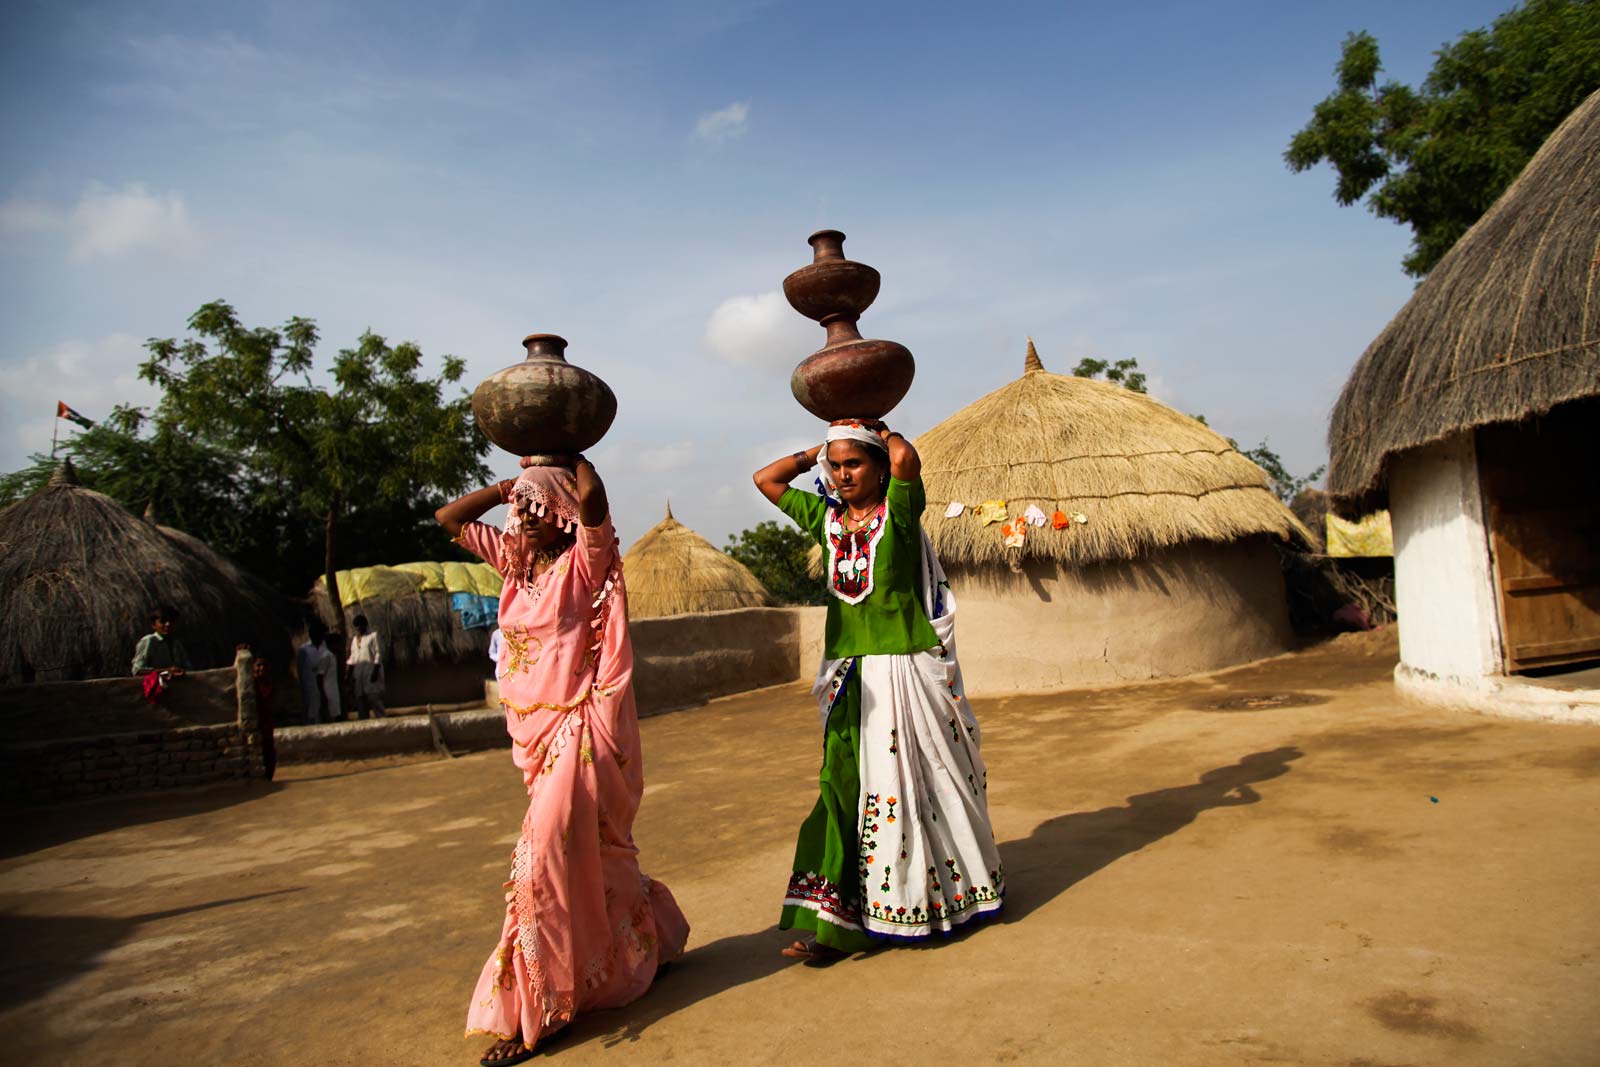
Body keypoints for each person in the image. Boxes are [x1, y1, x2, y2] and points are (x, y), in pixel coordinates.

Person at [436, 456, 688, 1064]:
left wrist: (566, 449)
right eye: (517, 509)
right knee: (589, 851)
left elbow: (595, 500)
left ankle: (541, 1006)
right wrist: (506, 488)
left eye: (533, 507)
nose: (520, 517)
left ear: (560, 514)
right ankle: (646, 941)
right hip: (533, 730)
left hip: (582, 725)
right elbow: (447, 517)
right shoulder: (513, 562)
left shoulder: (585, 561)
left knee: (542, 851)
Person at [753, 419, 1004, 963]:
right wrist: (815, 451)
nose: (843, 475)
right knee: (842, 787)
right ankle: (840, 920)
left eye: (854, 464)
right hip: (849, 678)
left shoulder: (900, 514)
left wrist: (881, 429)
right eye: (835, 466)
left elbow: (907, 462)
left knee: (912, 788)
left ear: (875, 466)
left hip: (904, 671)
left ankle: (923, 902)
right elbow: (766, 479)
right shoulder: (826, 519)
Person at [131, 606, 190, 704]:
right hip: (155, 694)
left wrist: (180, 671)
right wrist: (166, 671)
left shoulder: (176, 643)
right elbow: (137, 670)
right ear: (154, 625)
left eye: (171, 621)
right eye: (163, 622)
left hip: (177, 694)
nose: (168, 624)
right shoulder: (149, 641)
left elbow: (188, 666)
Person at [346, 614, 386, 719]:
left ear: (365, 625)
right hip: (359, 677)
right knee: (361, 705)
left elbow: (379, 654)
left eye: (360, 627)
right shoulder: (354, 640)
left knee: (375, 702)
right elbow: (352, 658)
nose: (359, 630)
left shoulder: (373, 636)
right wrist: (348, 675)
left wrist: (375, 671)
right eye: (357, 628)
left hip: (371, 674)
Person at [294, 622, 334, 725]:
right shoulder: (304, 650)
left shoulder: (326, 648)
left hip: (326, 685)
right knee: (312, 712)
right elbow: (300, 668)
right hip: (310, 686)